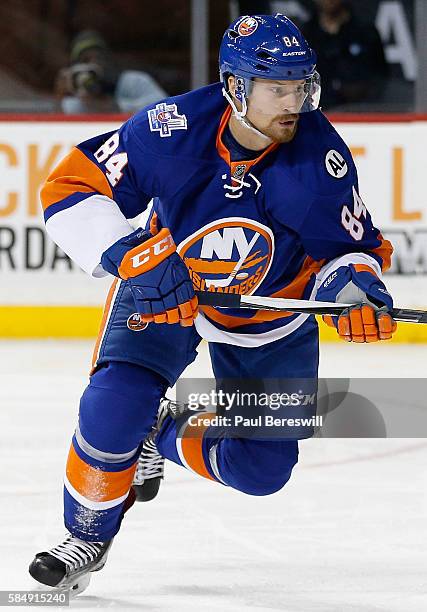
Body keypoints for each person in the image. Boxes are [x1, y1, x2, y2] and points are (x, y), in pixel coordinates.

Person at [29, 13, 396, 594]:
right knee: (112, 405)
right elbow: (69, 187)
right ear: (235, 87)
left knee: (262, 470)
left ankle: (165, 435)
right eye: (278, 88)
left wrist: (352, 290)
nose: (294, 102)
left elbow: (349, 254)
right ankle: (87, 536)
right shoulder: (170, 129)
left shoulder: (320, 159)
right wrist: (130, 257)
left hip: (268, 311)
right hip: (165, 286)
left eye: (301, 86)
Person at [55, 30, 167, 115]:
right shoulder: (75, 100)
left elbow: (164, 109)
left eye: (99, 57)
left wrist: (113, 106)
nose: (95, 64)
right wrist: (60, 96)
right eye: (86, 61)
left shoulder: (133, 81)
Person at [302, 0, 388, 109]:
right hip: (317, 112)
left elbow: (381, 77)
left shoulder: (365, 32)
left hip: (361, 112)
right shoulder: (304, 35)